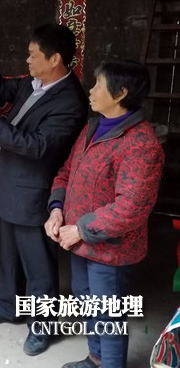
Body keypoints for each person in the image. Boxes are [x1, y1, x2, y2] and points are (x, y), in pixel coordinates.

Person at [0, 23, 88, 356]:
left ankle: (43, 327)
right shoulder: (35, 84)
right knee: (9, 255)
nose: (27, 60)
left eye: (33, 55)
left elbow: (39, 146)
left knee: (38, 264)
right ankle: (9, 307)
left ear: (55, 59)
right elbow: (2, 86)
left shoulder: (70, 101)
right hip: (8, 184)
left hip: (33, 192)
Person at [45, 61, 164, 368]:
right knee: (86, 302)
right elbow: (66, 172)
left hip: (110, 250)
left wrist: (80, 229)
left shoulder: (141, 144)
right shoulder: (92, 128)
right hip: (79, 242)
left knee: (108, 314)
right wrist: (56, 210)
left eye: (98, 84)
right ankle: (96, 358)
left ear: (121, 93)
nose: (92, 90)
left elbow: (132, 207)